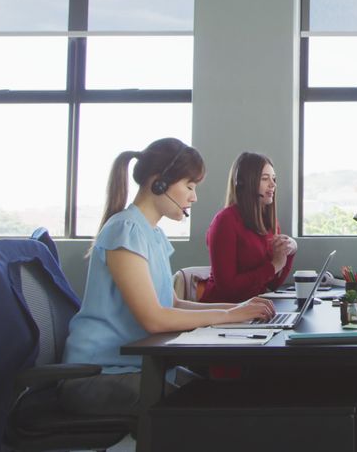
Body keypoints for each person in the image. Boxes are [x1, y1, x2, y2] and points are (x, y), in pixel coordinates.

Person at [60, 137, 276, 417]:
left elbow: (172, 303)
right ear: (159, 183)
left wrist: (240, 309)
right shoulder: (125, 230)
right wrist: (230, 315)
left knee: (228, 397)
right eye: (190, 186)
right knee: (216, 410)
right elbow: (155, 319)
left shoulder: (152, 234)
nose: (194, 197)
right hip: (98, 375)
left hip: (137, 368)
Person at [199, 152, 297, 303]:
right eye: (265, 178)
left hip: (253, 308)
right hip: (224, 310)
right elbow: (227, 287)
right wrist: (273, 266)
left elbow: (272, 284)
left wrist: (289, 252)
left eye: (273, 178)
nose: (273, 184)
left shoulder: (269, 223)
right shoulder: (225, 221)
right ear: (244, 183)